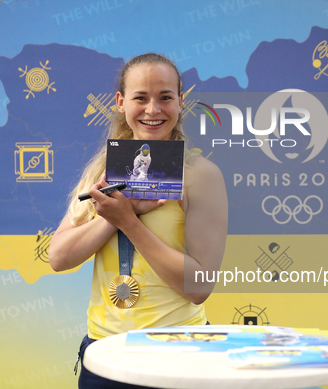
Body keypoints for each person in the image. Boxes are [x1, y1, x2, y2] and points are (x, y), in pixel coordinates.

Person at [48, 53, 228, 388]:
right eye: (140, 98)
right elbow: (58, 257)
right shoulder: (101, 172)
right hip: (104, 354)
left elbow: (199, 287)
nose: (152, 110)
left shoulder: (200, 176)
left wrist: (130, 223)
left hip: (180, 354)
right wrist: (113, 218)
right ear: (120, 102)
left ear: (180, 102)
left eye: (165, 97)